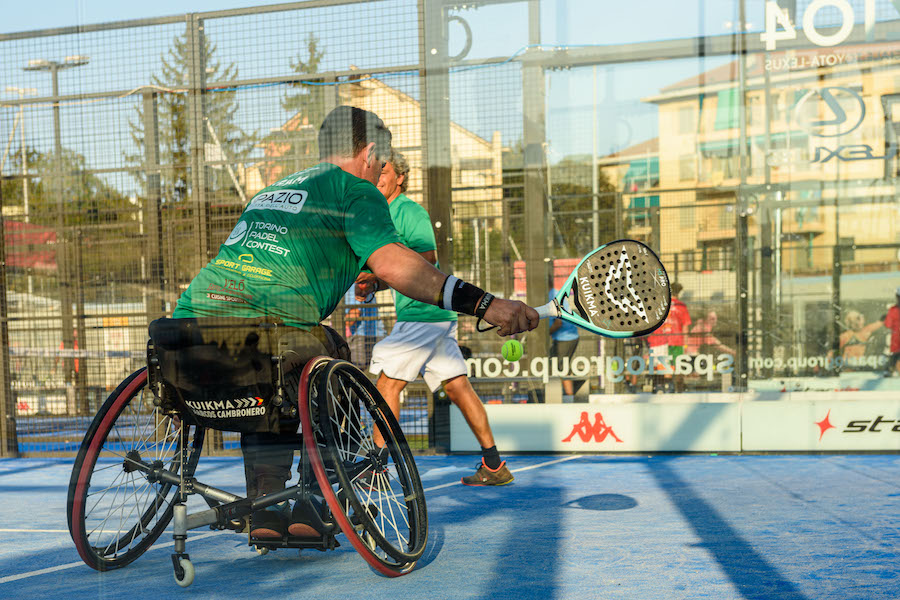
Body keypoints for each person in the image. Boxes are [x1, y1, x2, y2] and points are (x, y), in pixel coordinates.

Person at [168, 106, 538, 539]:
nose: (382, 169)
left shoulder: (272, 190)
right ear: (370, 152)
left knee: (274, 381)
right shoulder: (357, 192)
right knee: (328, 359)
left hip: (185, 335)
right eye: (382, 160)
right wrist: (487, 305)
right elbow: (405, 268)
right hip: (267, 333)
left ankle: (265, 508)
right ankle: (314, 499)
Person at [355, 149, 515, 486]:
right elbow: (399, 272)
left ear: (400, 176)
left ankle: (378, 468)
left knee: (387, 383)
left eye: (386, 170)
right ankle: (495, 465)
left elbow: (426, 260)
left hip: (422, 315)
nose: (380, 175)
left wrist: (374, 277)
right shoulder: (382, 213)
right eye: (376, 169)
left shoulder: (409, 211)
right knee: (458, 388)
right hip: (432, 318)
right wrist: (376, 282)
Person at [548, 278, 579, 397]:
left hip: (565, 338)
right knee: (555, 364)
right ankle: (567, 393)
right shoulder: (554, 293)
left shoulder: (551, 296)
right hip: (565, 337)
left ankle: (569, 395)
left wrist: (544, 334)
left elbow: (558, 323)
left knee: (561, 366)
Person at [343, 287, 385, 370]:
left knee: (356, 369)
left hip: (360, 336)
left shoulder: (355, 286)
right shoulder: (366, 284)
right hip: (377, 333)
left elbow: (354, 314)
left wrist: (340, 323)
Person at [883, 288, 900, 376]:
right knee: (895, 354)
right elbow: (888, 324)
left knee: (895, 354)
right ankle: (890, 369)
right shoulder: (893, 310)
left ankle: (890, 369)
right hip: (896, 337)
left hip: (896, 337)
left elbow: (888, 324)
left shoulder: (893, 310)